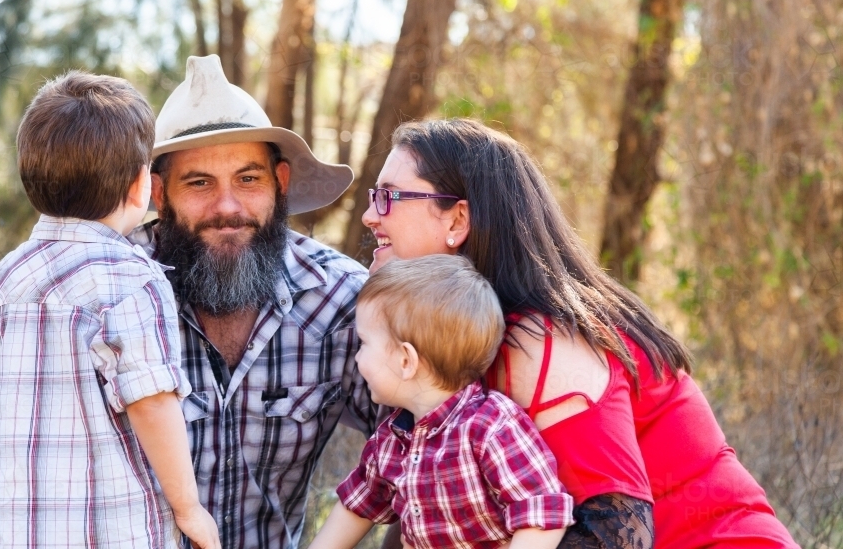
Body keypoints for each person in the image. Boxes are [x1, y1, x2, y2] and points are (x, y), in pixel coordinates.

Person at [363, 118, 799, 549]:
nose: (368, 216)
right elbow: (424, 505)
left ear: (458, 220)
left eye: (387, 198)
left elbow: (618, 536)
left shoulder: (536, 342)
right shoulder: (456, 335)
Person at [127, 55, 377, 549]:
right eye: (199, 183)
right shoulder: (117, 294)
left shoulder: (342, 301)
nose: (227, 207)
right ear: (160, 194)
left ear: (280, 184)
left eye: (248, 179)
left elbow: (424, 448)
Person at [0, 72, 220, 548]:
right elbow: (150, 401)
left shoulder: (2, 278)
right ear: (139, 184)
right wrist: (189, 508)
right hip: (115, 529)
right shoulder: (132, 278)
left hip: (24, 531)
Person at [308, 255, 574, 549]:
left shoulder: (490, 426)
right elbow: (357, 505)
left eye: (364, 343)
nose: (357, 357)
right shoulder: (391, 441)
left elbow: (541, 513)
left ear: (405, 360)